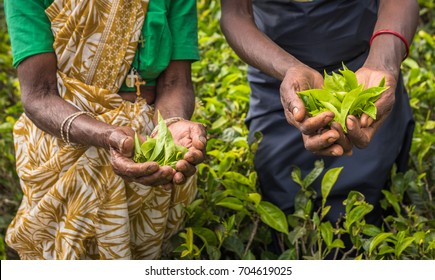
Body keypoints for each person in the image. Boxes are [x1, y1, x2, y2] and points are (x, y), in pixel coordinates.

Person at [4, 0, 206, 260]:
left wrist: (173, 125)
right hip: (64, 140)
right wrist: (108, 135)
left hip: (149, 139)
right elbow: (40, 95)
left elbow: (176, 82)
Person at [220, 0, 419, 249]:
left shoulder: (374, 67)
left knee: (372, 210)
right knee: (288, 215)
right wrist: (289, 69)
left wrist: (383, 63)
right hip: (279, 76)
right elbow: (235, 13)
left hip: (366, 69)